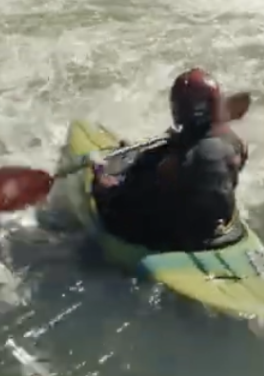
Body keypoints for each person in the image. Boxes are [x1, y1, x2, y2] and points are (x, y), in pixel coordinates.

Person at [92, 68, 248, 252]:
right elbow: (212, 157)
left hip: (177, 237)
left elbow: (127, 197)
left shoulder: (166, 162)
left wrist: (102, 181)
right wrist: (183, 140)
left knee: (112, 198)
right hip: (220, 227)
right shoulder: (235, 144)